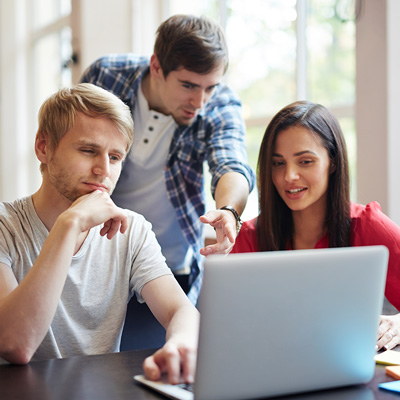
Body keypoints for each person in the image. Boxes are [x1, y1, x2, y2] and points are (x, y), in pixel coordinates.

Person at [0, 83, 199, 384]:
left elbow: (180, 311)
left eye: (115, 157)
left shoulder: (132, 230)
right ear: (44, 147)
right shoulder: (5, 226)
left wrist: (180, 343)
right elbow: (15, 344)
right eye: (88, 150)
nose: (103, 170)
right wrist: (70, 224)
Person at [80, 14, 255, 304]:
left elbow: (231, 163)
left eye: (209, 87)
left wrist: (229, 211)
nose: (199, 103)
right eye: (188, 85)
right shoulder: (106, 77)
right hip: (95, 261)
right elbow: (69, 151)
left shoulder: (220, 103)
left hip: (167, 268)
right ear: (157, 67)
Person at [231, 100, 400, 351]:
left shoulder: (368, 226)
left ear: (332, 162)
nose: (289, 176)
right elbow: (230, 331)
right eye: (278, 163)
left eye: (305, 161)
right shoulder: (249, 237)